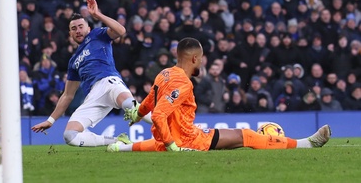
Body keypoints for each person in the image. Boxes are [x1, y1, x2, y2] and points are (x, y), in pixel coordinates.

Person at [108, 38, 331, 152]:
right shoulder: (183, 83)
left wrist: (137, 115)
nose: (202, 62)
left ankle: (119, 147)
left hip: (168, 138)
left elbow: (148, 103)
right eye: (202, 58)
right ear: (194, 59)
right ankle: (307, 144)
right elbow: (158, 116)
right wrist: (174, 147)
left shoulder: (164, 73)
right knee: (246, 135)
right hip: (188, 141)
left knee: (152, 146)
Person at [31, 0, 151, 147]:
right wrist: (50, 120)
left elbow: (121, 31)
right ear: (70, 34)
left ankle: (168, 126)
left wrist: (98, 15)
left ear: (88, 28)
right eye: (74, 29)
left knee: (130, 106)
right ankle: (118, 141)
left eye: (81, 26)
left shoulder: (97, 35)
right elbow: (68, 95)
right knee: (70, 136)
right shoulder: (73, 61)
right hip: (93, 96)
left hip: (109, 81)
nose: (78, 31)